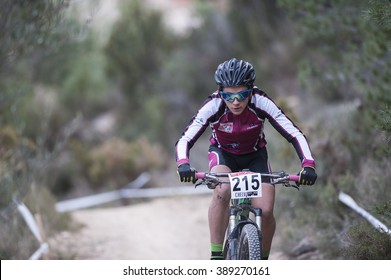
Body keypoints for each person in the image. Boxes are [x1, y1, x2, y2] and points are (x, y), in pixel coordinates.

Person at [175, 58, 317, 260]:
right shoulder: (213, 105)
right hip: (223, 155)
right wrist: (183, 164)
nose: (235, 102)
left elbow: (294, 133)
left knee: (266, 211)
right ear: (220, 92)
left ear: (251, 90)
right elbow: (186, 138)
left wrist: (308, 164)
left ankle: (262, 261)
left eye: (242, 94)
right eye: (228, 95)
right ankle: (216, 257)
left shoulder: (260, 101)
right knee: (222, 191)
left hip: (254, 156)